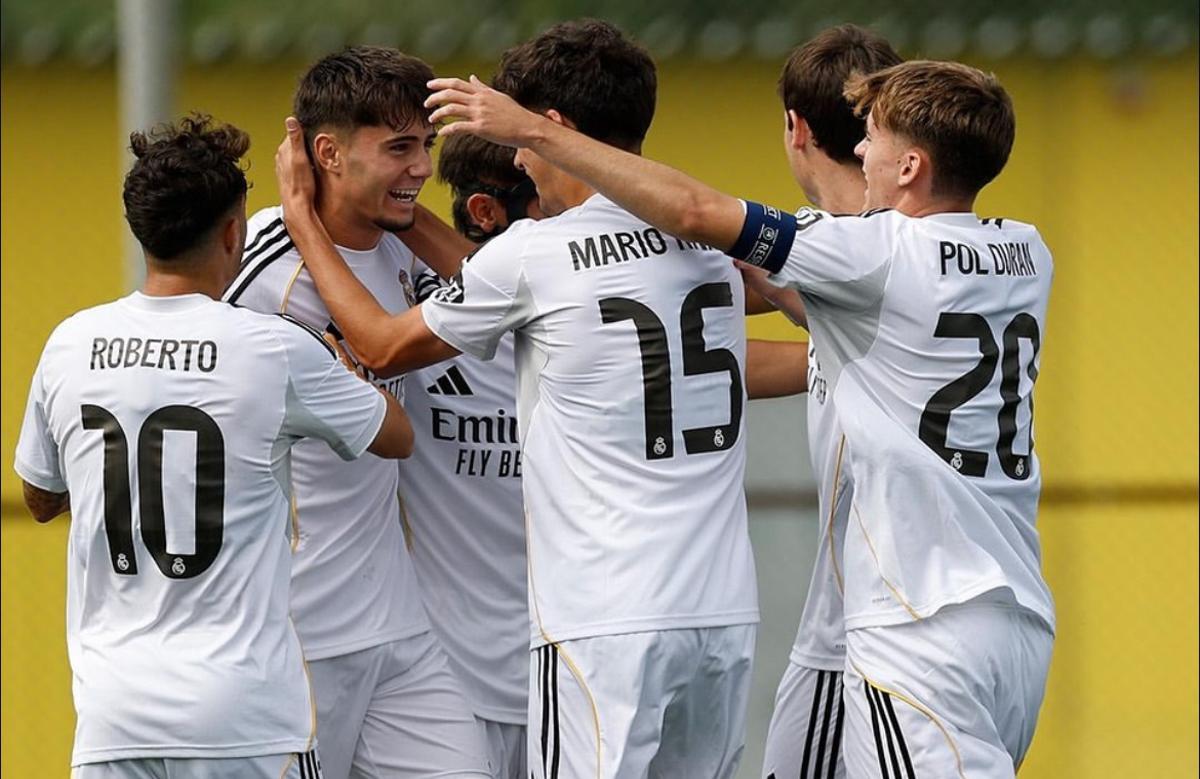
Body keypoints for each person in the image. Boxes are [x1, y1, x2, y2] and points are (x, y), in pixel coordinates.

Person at [428, 58, 1056, 777]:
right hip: (1018, 619)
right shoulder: (1025, 251)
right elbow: (819, 303)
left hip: (920, 624)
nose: (860, 151)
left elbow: (701, 214)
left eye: (875, 138)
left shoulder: (873, 251)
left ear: (911, 164)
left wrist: (531, 131)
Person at [275, 20, 759, 778]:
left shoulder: (538, 254)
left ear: (552, 129)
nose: (521, 161)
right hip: (726, 613)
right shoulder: (714, 243)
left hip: (604, 619)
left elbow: (383, 343)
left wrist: (305, 217)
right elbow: (530, 282)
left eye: (522, 139)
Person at [13, 114, 412, 779]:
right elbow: (394, 435)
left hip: (115, 716)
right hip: (245, 715)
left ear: (142, 231)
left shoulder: (69, 343)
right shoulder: (273, 348)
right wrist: (343, 369)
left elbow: (39, 496)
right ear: (234, 233)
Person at [223, 47, 490, 779]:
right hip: (297, 631)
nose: (422, 167)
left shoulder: (403, 244)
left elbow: (492, 283)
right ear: (328, 153)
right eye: (399, 147)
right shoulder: (256, 265)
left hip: (399, 628)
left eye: (426, 146)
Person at [752, 25, 902, 779]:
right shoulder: (909, 250)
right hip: (848, 616)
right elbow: (799, 311)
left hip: (881, 618)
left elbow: (692, 212)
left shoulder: (850, 248)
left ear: (797, 128)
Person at [399, 132, 542, 778]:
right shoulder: (418, 310)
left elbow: (734, 352)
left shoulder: (583, 300)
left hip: (573, 670)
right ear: (487, 211)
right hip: (450, 685)